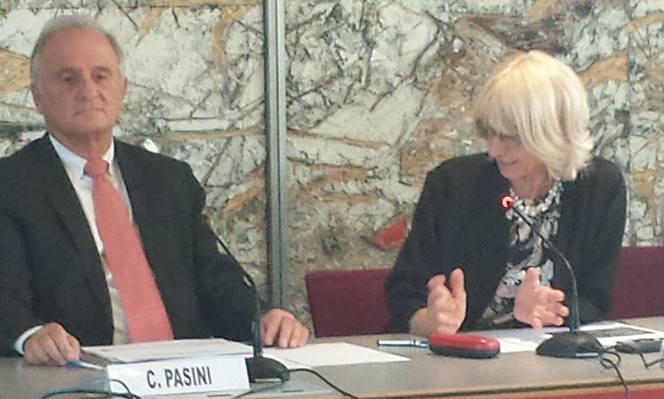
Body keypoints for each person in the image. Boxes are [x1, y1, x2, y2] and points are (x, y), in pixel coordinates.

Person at [0, 15, 310, 365]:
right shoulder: (10, 186)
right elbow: (4, 297)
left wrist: (262, 320)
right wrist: (28, 336)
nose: (88, 90)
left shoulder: (169, 180)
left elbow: (215, 280)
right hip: (75, 374)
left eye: (101, 76)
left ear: (123, 89)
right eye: (68, 78)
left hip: (184, 374)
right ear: (37, 97)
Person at [386, 50, 626, 336]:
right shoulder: (453, 183)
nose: (494, 150)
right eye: (490, 133)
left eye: (510, 137)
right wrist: (431, 321)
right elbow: (405, 292)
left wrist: (547, 312)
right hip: (454, 352)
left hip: (547, 351)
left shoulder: (600, 187)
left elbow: (595, 298)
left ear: (552, 132)